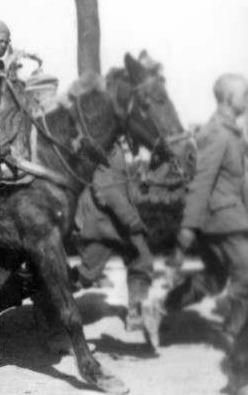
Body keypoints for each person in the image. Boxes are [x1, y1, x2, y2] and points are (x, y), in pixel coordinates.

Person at [164, 73, 248, 342]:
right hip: (221, 220)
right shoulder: (217, 133)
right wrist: (188, 228)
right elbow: (201, 183)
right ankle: (238, 339)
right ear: (227, 97)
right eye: (244, 93)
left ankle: (161, 308)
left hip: (232, 217)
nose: (247, 99)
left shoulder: (231, 132)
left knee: (215, 278)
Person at [74, 142, 154, 332]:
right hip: (102, 224)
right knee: (86, 275)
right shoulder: (103, 143)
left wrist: (140, 186)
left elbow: (121, 187)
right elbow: (106, 189)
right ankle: (49, 301)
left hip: (113, 223)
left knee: (142, 260)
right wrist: (133, 220)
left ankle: (135, 314)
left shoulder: (116, 145)